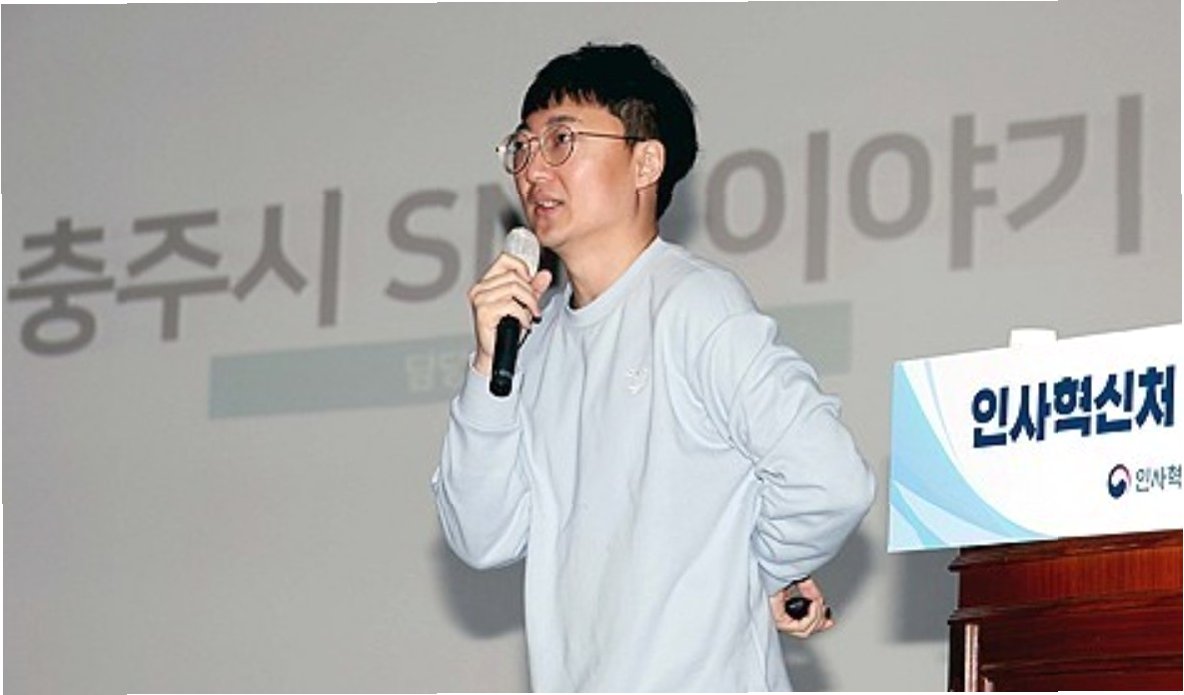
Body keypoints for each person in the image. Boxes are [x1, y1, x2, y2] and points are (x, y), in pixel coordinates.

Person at [431, 42, 875, 692]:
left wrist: (757, 570)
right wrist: (483, 366)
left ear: (645, 161)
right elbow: (481, 535)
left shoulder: (693, 303)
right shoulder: (534, 341)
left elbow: (831, 478)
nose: (532, 169)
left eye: (562, 140)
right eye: (522, 146)